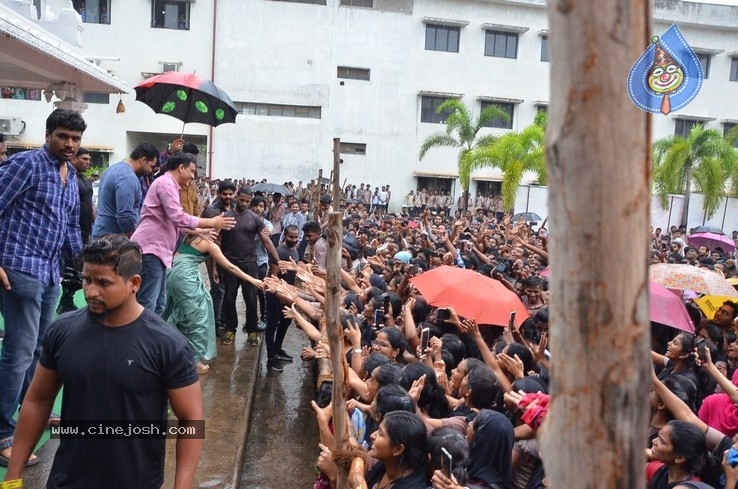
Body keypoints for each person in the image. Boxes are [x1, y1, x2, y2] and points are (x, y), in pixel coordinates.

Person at [3, 235, 203, 487]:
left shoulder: (167, 344)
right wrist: (12, 476)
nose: (91, 291)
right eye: (87, 279)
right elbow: (38, 399)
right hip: (67, 481)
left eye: (104, 283)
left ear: (134, 283)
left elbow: (191, 421)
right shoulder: (62, 330)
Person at [0, 109, 86, 468]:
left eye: (75, 139)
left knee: (39, 348)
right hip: (19, 266)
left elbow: (68, 226)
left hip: (50, 272)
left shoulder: (69, 173)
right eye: (63, 136)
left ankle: (28, 413)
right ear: (48, 133)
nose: (70, 144)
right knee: (19, 350)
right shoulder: (27, 165)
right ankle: (4, 432)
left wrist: (86, 262)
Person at [131, 152, 235, 315]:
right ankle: (142, 338)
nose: (193, 177)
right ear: (181, 168)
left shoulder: (170, 185)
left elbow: (172, 221)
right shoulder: (166, 184)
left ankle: (152, 337)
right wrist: (212, 222)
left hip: (160, 252)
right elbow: (177, 217)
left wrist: (199, 231)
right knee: (148, 304)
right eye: (192, 171)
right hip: (152, 249)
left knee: (159, 304)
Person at [163, 233, 265, 375]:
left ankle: (176, 353)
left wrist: (213, 270)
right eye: (215, 227)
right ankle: (194, 361)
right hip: (184, 278)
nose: (217, 231)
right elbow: (230, 267)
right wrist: (252, 280)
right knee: (197, 320)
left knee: (180, 314)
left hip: (172, 273)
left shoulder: (188, 236)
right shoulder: (208, 243)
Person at [219, 187, 279, 346]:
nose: (244, 203)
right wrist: (214, 267)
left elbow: (266, 241)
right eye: (242, 200)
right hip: (230, 262)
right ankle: (231, 329)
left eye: (247, 201)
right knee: (230, 298)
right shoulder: (226, 217)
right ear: (236, 197)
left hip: (250, 264)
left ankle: (252, 330)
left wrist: (278, 261)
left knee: (251, 299)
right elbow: (217, 241)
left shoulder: (255, 219)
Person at [91, 143, 159, 239]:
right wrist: (135, 241)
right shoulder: (128, 178)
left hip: (102, 233)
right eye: (151, 166)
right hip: (113, 241)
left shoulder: (111, 169)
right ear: (143, 160)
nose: (150, 170)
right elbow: (125, 217)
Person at [57, 147, 95, 314]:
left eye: (89, 159)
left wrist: (96, 223)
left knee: (76, 267)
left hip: (85, 230)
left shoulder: (85, 180)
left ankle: (67, 299)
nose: (88, 162)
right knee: (71, 268)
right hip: (71, 231)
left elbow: (91, 205)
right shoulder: (68, 178)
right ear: (73, 159)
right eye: (84, 159)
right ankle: (65, 301)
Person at [202, 180, 237, 335]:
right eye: (225, 194)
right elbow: (212, 240)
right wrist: (214, 267)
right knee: (218, 290)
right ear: (219, 194)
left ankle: (222, 320)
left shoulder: (236, 209)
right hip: (213, 256)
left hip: (230, 255)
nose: (228, 197)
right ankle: (213, 324)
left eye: (230, 194)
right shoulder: (213, 212)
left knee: (228, 291)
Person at [264, 224, 300, 372]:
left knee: (285, 321)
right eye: (291, 237)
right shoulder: (279, 252)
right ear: (284, 235)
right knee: (272, 324)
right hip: (276, 293)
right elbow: (273, 276)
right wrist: (279, 295)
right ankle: (271, 358)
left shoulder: (295, 250)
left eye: (296, 237)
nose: (294, 239)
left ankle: (278, 348)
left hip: (287, 293)